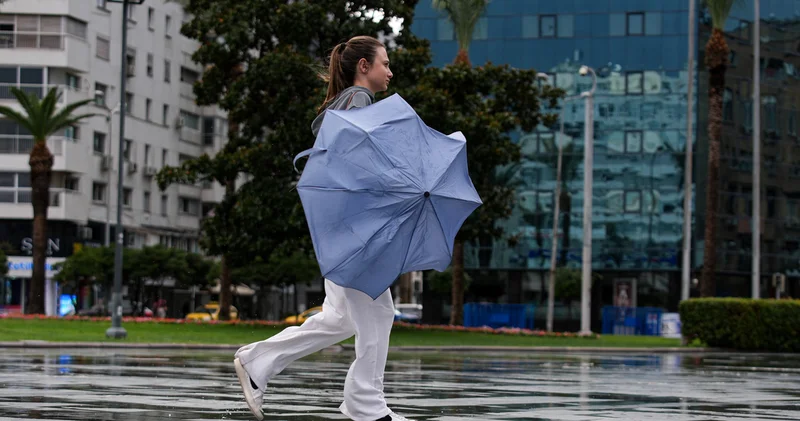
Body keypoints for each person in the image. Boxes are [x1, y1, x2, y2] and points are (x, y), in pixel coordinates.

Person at [232, 36, 412, 421]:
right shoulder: (360, 102)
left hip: (339, 227)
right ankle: (365, 403)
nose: (390, 71)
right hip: (354, 229)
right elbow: (354, 165)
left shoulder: (349, 104)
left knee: (342, 317)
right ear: (364, 66)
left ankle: (257, 361)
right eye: (385, 63)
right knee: (378, 311)